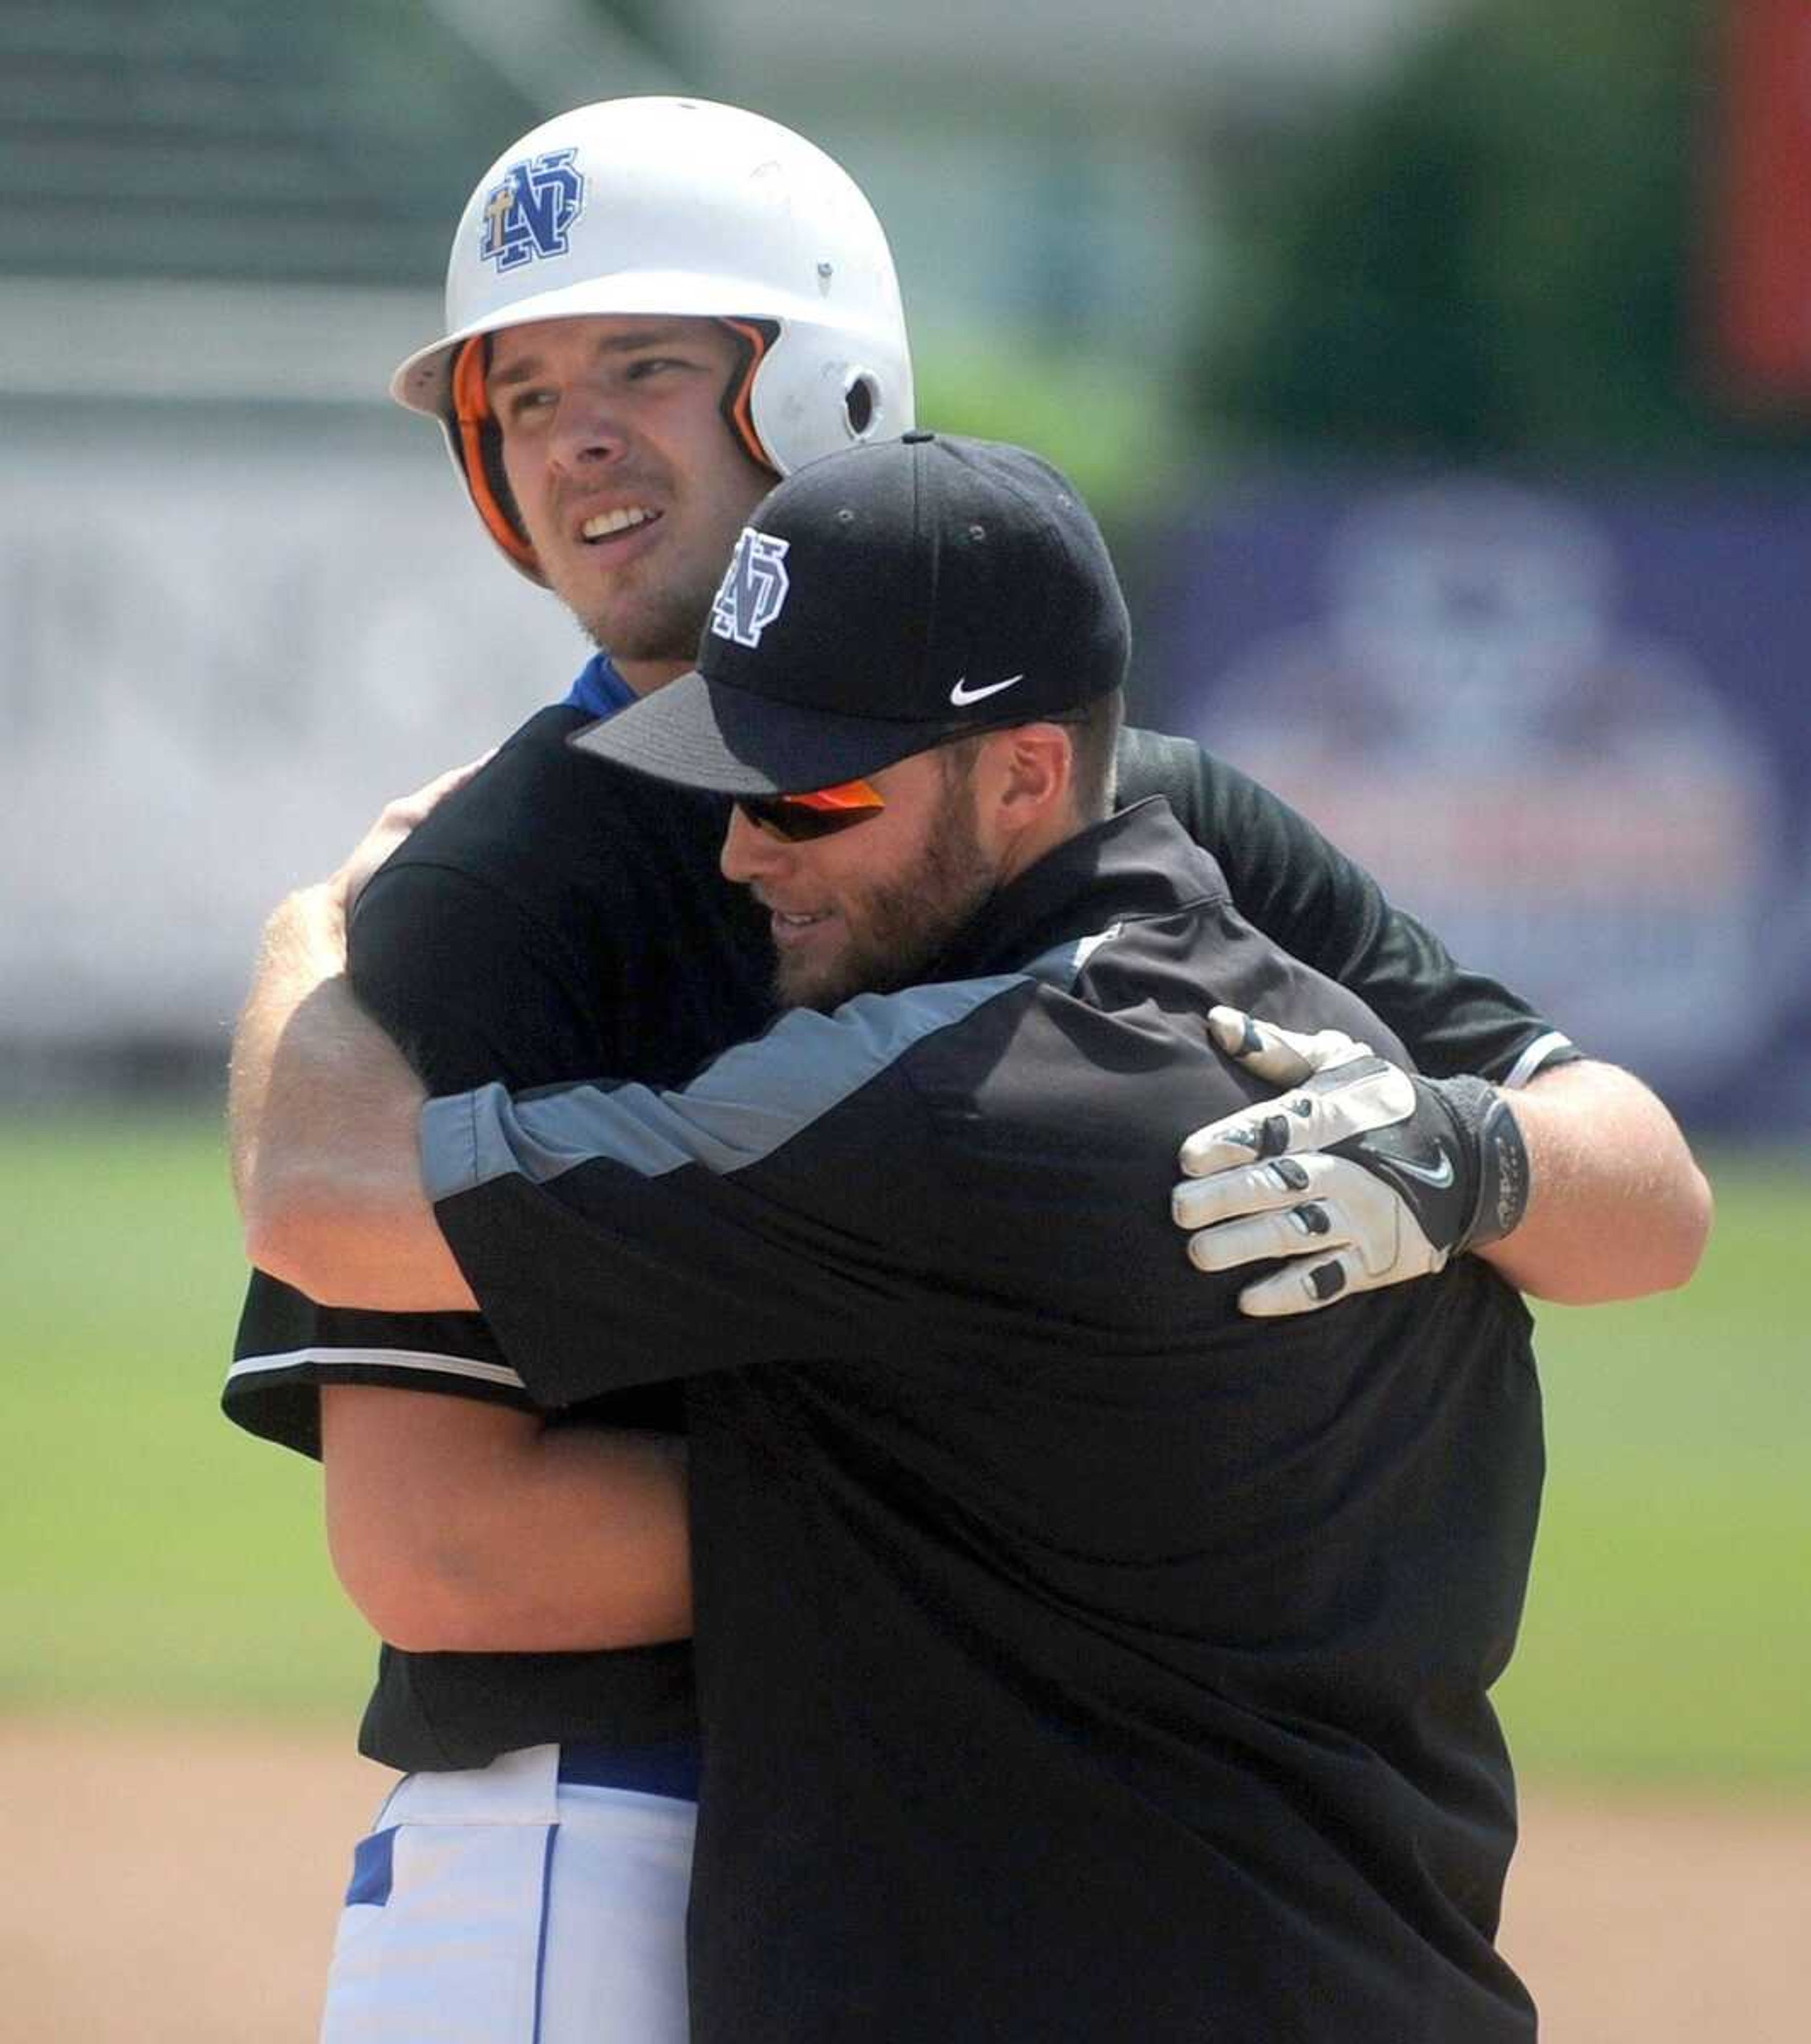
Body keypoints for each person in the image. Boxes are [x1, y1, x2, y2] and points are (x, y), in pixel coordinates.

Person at [222, 96, 1708, 2043]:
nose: (571, 432)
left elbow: (1646, 1199)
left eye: (646, 364)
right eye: (519, 398)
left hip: (1007, 1834)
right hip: (595, 1833)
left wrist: (1468, 1159)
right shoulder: (490, 879)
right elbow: (437, 1549)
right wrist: (1036, 1500)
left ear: (820, 377)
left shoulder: (1139, 818)